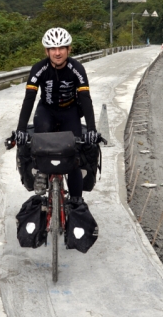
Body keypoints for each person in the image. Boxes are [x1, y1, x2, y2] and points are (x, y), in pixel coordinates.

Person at [14, 27, 99, 202]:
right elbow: (29, 99)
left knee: (74, 155)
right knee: (40, 143)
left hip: (70, 111)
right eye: (53, 48)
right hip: (47, 110)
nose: (57, 53)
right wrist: (20, 129)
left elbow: (85, 99)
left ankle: (76, 201)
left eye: (62, 48)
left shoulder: (77, 68)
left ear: (69, 49)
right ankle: (41, 173)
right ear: (47, 51)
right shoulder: (39, 68)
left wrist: (91, 129)